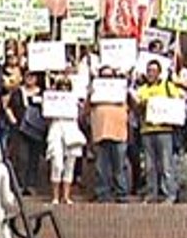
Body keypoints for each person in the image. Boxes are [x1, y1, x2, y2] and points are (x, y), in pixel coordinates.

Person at [135, 59, 183, 203]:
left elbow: (179, 100)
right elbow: (137, 106)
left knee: (166, 164)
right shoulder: (142, 89)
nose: (151, 74)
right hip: (147, 130)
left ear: (159, 73)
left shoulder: (168, 87)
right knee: (150, 166)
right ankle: (152, 194)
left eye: (154, 71)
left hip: (164, 130)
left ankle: (170, 194)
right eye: (149, 71)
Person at [88, 66, 130, 203]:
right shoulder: (94, 92)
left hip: (119, 133)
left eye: (110, 76)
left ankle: (121, 193)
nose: (107, 79)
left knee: (120, 165)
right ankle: (103, 194)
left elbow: (134, 107)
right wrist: (91, 94)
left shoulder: (121, 91)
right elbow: (84, 111)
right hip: (100, 133)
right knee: (101, 166)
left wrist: (126, 88)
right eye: (104, 77)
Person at [44, 74, 86, 205]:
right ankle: (55, 196)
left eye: (66, 86)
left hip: (71, 127)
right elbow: (46, 117)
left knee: (70, 161)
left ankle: (66, 196)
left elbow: (81, 115)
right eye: (61, 86)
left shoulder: (75, 100)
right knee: (56, 162)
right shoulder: (52, 99)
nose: (63, 89)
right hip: (56, 127)